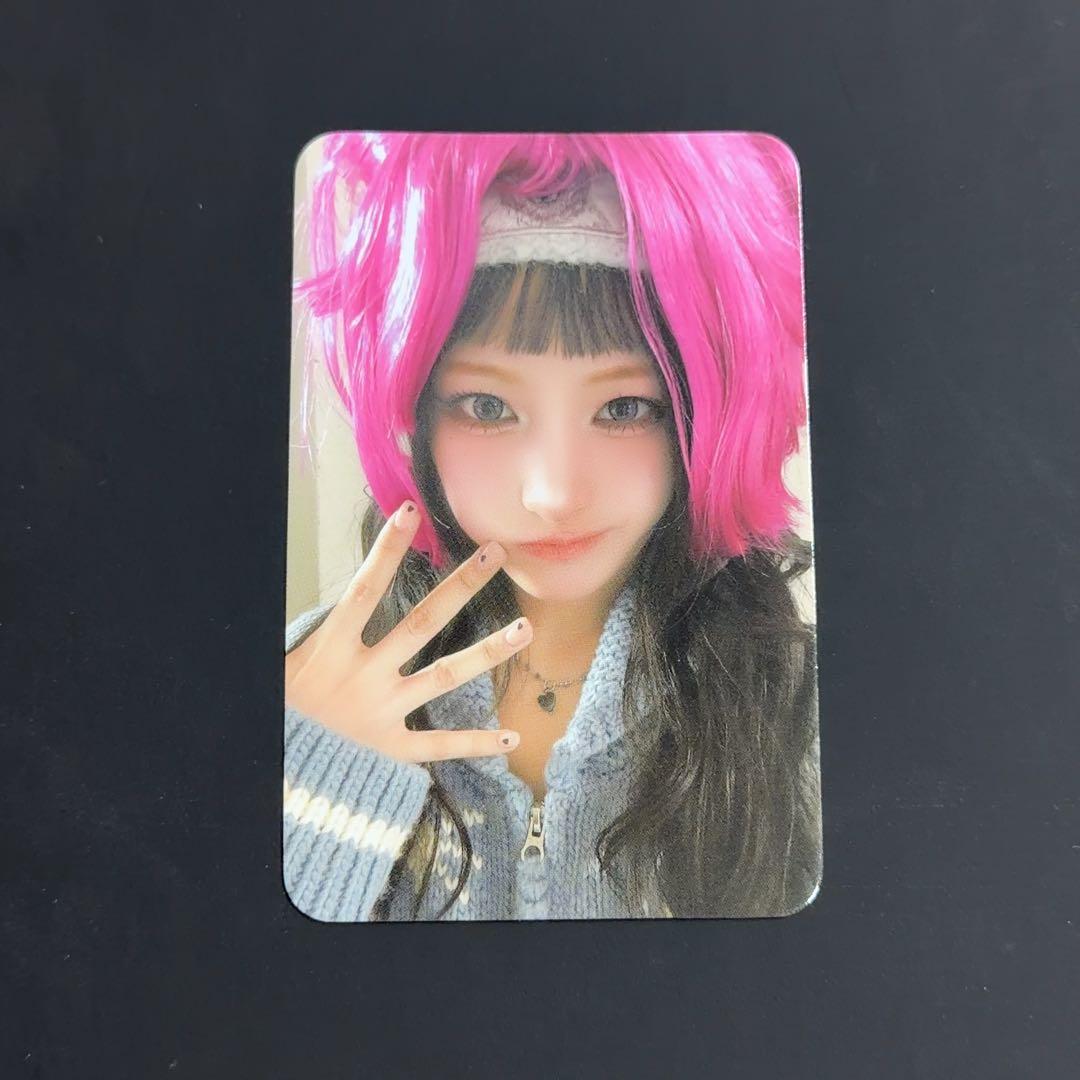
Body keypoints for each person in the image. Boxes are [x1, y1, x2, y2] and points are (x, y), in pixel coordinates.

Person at [283, 132, 821, 921]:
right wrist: (318, 781)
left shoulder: (795, 702)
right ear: (414, 418)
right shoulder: (304, 687)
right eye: (488, 406)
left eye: (625, 407)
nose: (555, 494)